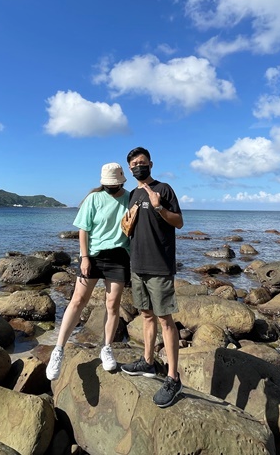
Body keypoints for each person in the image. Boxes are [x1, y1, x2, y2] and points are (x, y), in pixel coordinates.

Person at [46, 162, 131, 381]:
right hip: (93, 257)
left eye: (114, 184)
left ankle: (106, 348)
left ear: (121, 181)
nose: (111, 187)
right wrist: (84, 258)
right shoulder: (93, 198)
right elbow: (83, 230)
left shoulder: (130, 199)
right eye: (108, 184)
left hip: (119, 257)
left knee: (112, 305)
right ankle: (58, 349)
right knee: (77, 301)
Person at [119, 146, 184, 408]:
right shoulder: (133, 194)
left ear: (151, 164)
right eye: (134, 163)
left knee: (165, 320)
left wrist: (158, 208)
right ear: (129, 169)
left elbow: (178, 222)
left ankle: (173, 377)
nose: (138, 166)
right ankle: (147, 362)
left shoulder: (164, 189)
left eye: (142, 162)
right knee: (145, 315)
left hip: (159, 265)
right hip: (138, 264)